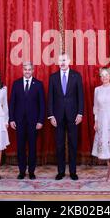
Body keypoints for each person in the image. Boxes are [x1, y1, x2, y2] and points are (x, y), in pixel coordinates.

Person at [48, 53, 84, 181]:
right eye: (60, 61)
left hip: (73, 116)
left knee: (73, 144)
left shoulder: (76, 76)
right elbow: (50, 98)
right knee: (59, 145)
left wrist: (80, 113)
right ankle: (61, 171)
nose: (62, 63)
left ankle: (73, 171)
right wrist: (51, 115)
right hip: (57, 117)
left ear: (69, 61)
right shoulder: (53, 77)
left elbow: (80, 96)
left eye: (64, 60)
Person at [9, 61, 45, 180]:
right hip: (19, 121)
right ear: (22, 70)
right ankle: (22, 171)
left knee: (32, 147)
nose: (27, 71)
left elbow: (42, 104)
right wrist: (12, 119)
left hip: (34, 122)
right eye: (25, 69)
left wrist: (40, 121)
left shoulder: (38, 84)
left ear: (33, 70)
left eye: (29, 69)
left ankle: (31, 171)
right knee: (20, 147)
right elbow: (12, 103)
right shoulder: (16, 84)